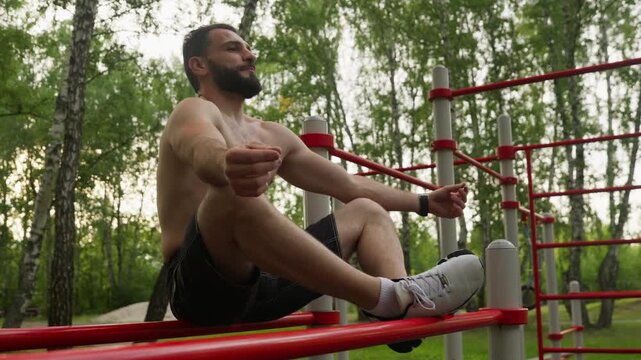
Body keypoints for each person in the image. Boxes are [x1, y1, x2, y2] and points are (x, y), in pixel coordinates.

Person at [156, 23, 484, 353]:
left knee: (366, 212)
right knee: (231, 189)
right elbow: (200, 149)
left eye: (248, 48)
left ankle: (403, 312)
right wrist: (226, 163)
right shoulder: (193, 110)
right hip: (200, 288)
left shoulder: (271, 134)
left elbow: (346, 185)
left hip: (265, 283)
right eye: (233, 48)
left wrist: (425, 202)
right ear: (198, 65)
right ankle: (392, 298)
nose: (249, 55)